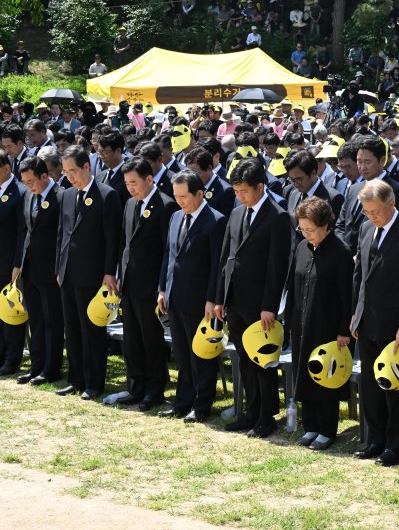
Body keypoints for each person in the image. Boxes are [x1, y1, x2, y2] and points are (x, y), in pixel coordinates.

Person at [213, 158, 291, 436]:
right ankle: (250, 411)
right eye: (235, 191)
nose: (239, 196)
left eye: (244, 191)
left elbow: (277, 266)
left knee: (264, 361)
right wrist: (219, 297)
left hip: (260, 304)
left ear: (260, 186)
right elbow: (225, 258)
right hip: (235, 300)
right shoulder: (236, 214)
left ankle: (267, 416)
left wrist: (269, 306)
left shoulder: (278, 216)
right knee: (244, 360)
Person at [351, 179, 399, 466]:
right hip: (368, 320)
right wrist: (356, 313)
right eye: (367, 212)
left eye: (375, 212)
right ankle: (375, 440)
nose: (371, 217)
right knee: (370, 384)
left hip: (395, 325)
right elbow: (360, 275)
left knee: (395, 387)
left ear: (391, 204)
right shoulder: (367, 229)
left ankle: (395, 446)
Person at [157, 170, 226, 422]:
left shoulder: (215, 221)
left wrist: (212, 298)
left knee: (201, 355)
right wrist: (163, 288)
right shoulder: (176, 217)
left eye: (184, 196)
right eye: (176, 196)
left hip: (200, 301)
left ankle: (202, 403)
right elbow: (168, 254)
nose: (180, 201)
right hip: (175, 296)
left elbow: (217, 265)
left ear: (199, 193)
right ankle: (182, 401)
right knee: (182, 354)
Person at [285, 197, 353, 450]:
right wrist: (290, 318)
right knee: (303, 375)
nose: (306, 234)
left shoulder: (340, 252)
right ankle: (310, 426)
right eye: (302, 229)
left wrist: (344, 331)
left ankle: (326, 430)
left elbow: (348, 296)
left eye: (311, 229)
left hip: (327, 327)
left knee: (325, 379)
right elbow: (293, 285)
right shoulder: (302, 247)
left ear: (325, 226)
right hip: (302, 324)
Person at [55, 146, 123, 399]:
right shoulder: (67, 195)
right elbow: (62, 233)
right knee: (72, 329)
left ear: (87, 166)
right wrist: (58, 267)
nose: (70, 176)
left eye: (73, 171)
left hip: (94, 273)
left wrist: (109, 272)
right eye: (65, 172)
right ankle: (76, 379)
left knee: (91, 329)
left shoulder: (107, 195)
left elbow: (112, 238)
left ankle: (94, 382)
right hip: (68, 272)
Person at [117, 158, 179, 411]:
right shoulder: (130, 204)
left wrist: (162, 286)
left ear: (149, 179)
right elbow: (125, 243)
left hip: (151, 285)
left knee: (151, 339)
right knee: (132, 338)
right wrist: (119, 272)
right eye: (127, 183)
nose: (130, 188)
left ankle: (155, 389)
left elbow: (168, 249)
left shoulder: (165, 205)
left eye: (134, 183)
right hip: (130, 283)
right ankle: (136, 386)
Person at [13, 157, 63, 385]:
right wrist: (18, 264)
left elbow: (63, 236)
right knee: (35, 319)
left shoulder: (61, 197)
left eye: (31, 181)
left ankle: (51, 368)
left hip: (51, 270)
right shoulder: (28, 197)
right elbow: (25, 232)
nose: (28, 186)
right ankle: (36, 365)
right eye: (24, 182)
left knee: (51, 319)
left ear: (45, 176)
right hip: (30, 268)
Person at [0, 151, 28, 375]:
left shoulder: (20, 192)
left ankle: (12, 358)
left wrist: (17, 263)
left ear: (6, 169)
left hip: (8, 264)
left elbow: (22, 232)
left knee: (10, 312)